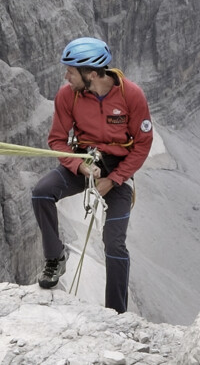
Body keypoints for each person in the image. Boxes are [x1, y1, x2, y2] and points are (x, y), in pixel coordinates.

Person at [31, 36, 153, 313]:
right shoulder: (67, 96)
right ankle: (54, 257)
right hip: (85, 161)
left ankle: (116, 314)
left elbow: (143, 144)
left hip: (118, 170)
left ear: (92, 74)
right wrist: (80, 167)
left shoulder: (131, 95)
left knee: (114, 243)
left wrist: (115, 179)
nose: (66, 76)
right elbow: (58, 141)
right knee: (41, 193)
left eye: (71, 71)